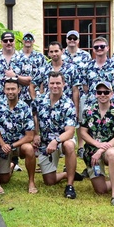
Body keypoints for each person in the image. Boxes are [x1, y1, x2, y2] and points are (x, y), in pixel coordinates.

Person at [78, 81, 114, 205]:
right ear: (95, 94)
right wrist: (96, 145)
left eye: (106, 92)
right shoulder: (88, 111)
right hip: (91, 152)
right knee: (100, 190)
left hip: (109, 149)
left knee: (112, 154)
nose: (102, 95)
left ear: (111, 94)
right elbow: (83, 132)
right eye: (99, 92)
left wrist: (101, 149)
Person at [32, 70, 79, 198]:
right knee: (49, 181)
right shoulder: (40, 100)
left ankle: (70, 185)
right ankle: (67, 173)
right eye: (52, 83)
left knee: (69, 145)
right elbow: (33, 115)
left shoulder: (68, 104)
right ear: (48, 84)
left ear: (64, 84)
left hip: (62, 141)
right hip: (46, 143)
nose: (55, 86)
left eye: (58, 83)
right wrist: (36, 133)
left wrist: (56, 140)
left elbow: (70, 131)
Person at [0, 78, 37, 191]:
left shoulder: (25, 108)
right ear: (4, 90)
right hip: (3, 146)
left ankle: (31, 181)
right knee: (4, 180)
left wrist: (12, 146)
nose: (10, 92)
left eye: (13, 89)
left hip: (19, 145)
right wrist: (2, 144)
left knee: (29, 149)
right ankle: (11, 165)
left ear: (19, 90)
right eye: (8, 89)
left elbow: (30, 136)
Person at [0, 30, 34, 108]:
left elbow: (28, 81)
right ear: (1, 42)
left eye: (11, 40)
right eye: (5, 41)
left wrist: (15, 76)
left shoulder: (23, 58)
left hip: (19, 102)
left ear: (14, 41)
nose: (8, 42)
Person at [76, 37, 114, 114]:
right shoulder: (87, 66)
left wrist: (112, 95)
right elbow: (85, 87)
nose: (99, 48)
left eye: (102, 46)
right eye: (96, 47)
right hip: (91, 106)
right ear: (93, 49)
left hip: (111, 106)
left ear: (107, 48)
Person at [15, 32, 46, 103]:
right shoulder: (16, 56)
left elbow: (44, 76)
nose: (28, 40)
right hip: (20, 95)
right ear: (22, 40)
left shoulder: (40, 57)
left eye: (30, 38)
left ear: (33, 41)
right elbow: (13, 75)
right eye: (26, 38)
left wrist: (41, 92)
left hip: (36, 95)